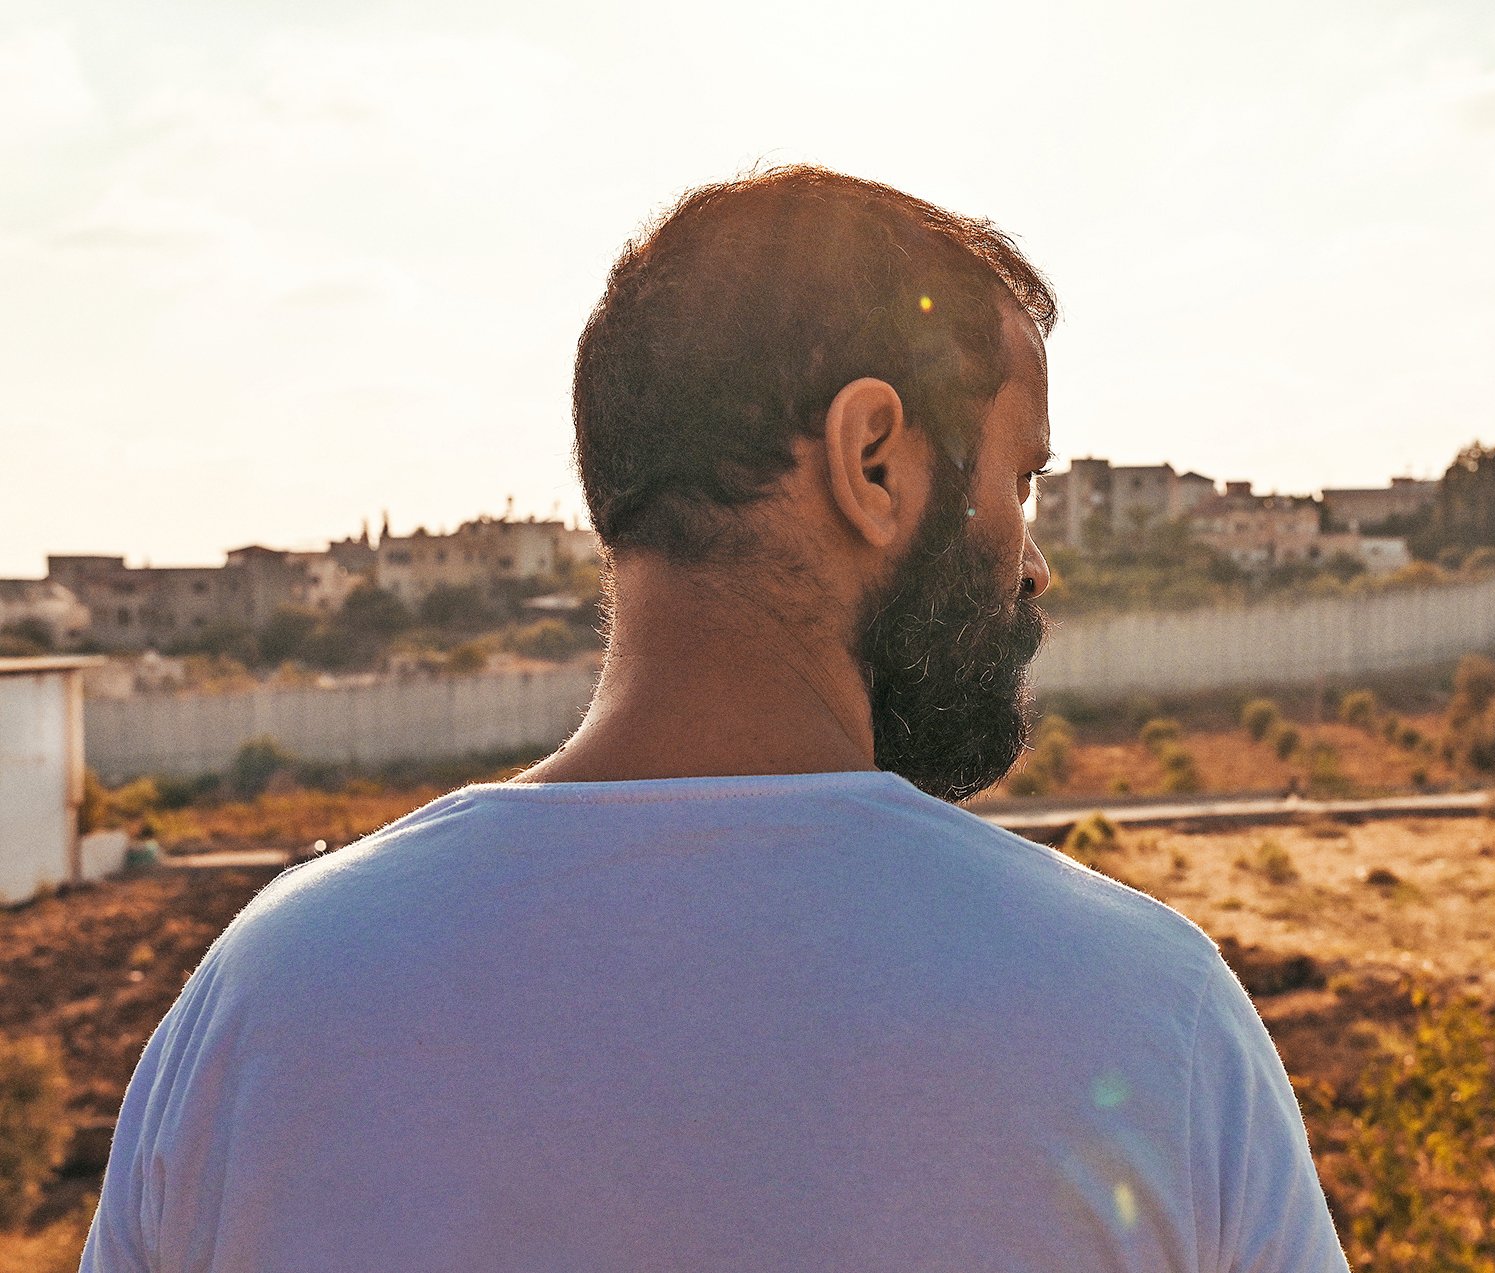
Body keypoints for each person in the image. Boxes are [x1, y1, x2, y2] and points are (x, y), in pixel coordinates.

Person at [81, 166, 1349, 1272]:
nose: (1032, 564)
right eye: (1020, 482)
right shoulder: (1143, 1009)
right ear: (873, 462)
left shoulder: (271, 999)